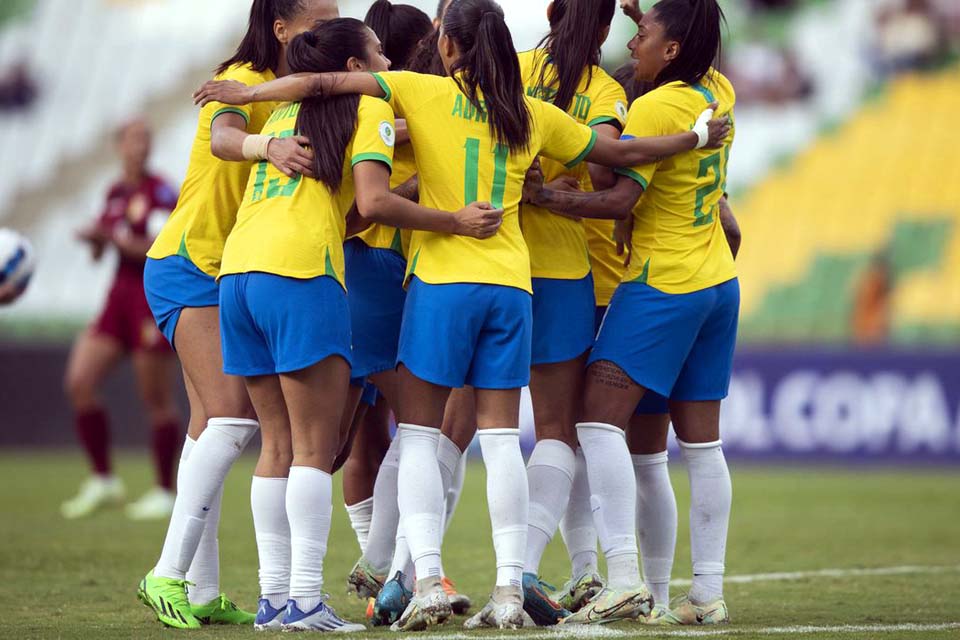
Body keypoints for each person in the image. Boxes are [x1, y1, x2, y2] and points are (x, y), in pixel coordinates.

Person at [193, 0, 727, 629]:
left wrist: (247, 91)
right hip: (517, 283)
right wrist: (695, 139)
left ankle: (419, 579)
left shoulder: (424, 94)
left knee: (421, 435)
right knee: (506, 438)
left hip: (441, 283)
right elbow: (624, 155)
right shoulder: (533, 113)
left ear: (448, 47)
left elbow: (323, 82)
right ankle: (509, 587)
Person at [221, 19, 501, 632]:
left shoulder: (281, 118)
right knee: (314, 451)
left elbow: (345, 212)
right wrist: (451, 218)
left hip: (239, 273)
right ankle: (305, 601)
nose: (385, 67)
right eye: (376, 56)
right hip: (302, 276)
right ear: (354, 67)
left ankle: (274, 602)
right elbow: (372, 208)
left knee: (275, 446)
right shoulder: (368, 109)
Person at [526, 0, 737, 626]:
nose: (631, 42)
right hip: (717, 284)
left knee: (592, 425)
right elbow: (680, 51)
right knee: (694, 450)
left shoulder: (649, 107)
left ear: (672, 51)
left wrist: (544, 195)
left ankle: (621, 581)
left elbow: (619, 195)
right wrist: (655, 14)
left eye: (641, 34)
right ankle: (701, 595)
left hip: (660, 284)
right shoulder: (717, 90)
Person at [136, 0, 339, 629]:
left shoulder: (296, 95)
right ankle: (165, 573)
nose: (326, 34)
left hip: (222, 266)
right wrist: (267, 144)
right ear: (280, 29)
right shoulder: (245, 77)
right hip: (191, 262)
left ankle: (201, 587)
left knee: (209, 427)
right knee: (229, 414)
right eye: (317, 23)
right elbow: (224, 138)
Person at [341, 0, 474, 626]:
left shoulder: (406, 106)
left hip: (390, 274)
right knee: (427, 423)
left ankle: (387, 566)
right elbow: (362, 207)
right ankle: (400, 570)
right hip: (378, 270)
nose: (396, 63)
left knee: (374, 435)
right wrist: (435, 194)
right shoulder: (395, 110)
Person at [513, 0, 632, 626]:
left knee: (471, 425)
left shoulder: (515, 67)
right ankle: (530, 570)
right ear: (609, 28)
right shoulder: (607, 90)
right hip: (569, 269)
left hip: (494, 259)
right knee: (569, 428)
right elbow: (606, 164)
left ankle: (579, 569)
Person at [61, 119, 182, 522]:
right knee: (80, 381)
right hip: (117, 298)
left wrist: (110, 238)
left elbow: (155, 246)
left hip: (148, 298)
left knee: (155, 398)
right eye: (133, 139)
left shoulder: (161, 191)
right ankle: (103, 479)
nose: (140, 146)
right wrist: (97, 241)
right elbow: (104, 253)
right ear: (119, 146)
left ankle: (165, 490)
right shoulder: (114, 192)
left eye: (146, 139)